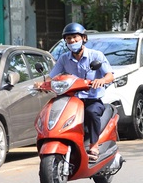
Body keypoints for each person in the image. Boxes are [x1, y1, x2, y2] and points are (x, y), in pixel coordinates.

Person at [34, 22, 114, 161]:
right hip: (71, 99)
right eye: (68, 38)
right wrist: (42, 83)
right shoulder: (64, 58)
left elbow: (110, 75)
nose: (72, 41)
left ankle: (94, 146)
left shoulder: (96, 56)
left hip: (91, 99)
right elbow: (51, 76)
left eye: (75, 37)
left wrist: (101, 80)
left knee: (91, 113)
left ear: (83, 38)